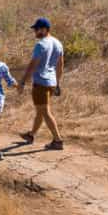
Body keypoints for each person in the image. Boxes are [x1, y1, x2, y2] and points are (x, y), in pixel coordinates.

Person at [19, 17, 65, 151]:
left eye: (37, 29)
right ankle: (31, 135)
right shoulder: (58, 43)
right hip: (51, 83)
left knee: (44, 111)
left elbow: (32, 65)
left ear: (44, 29)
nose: (35, 32)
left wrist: (22, 82)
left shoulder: (41, 45)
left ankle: (58, 140)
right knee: (40, 110)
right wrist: (57, 83)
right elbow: (60, 65)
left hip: (40, 83)